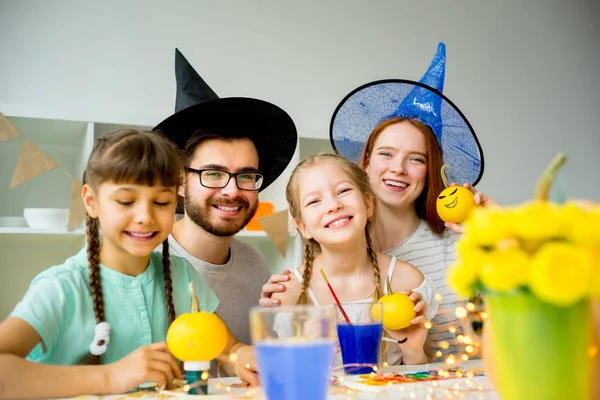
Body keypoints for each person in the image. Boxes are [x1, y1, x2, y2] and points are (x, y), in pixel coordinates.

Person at [261, 42, 498, 358]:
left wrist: (501, 234)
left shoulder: (456, 245)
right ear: (367, 162)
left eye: (416, 159)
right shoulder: (332, 246)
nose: (398, 168)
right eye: (386, 154)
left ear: (430, 171)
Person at [0, 129, 255, 399]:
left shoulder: (182, 276)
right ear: (91, 202)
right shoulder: (61, 288)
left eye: (161, 201)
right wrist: (111, 376)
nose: (145, 216)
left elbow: (226, 349)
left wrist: (242, 358)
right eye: (126, 201)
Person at [152, 49, 297, 375]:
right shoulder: (142, 261)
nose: (232, 191)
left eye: (246, 175)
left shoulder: (254, 264)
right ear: (177, 181)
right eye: (213, 174)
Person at [271, 153, 439, 365]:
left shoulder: (407, 282)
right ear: (303, 227)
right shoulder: (289, 294)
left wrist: (413, 350)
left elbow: (425, 379)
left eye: (343, 190)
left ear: (368, 204)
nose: (333, 205)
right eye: (314, 201)